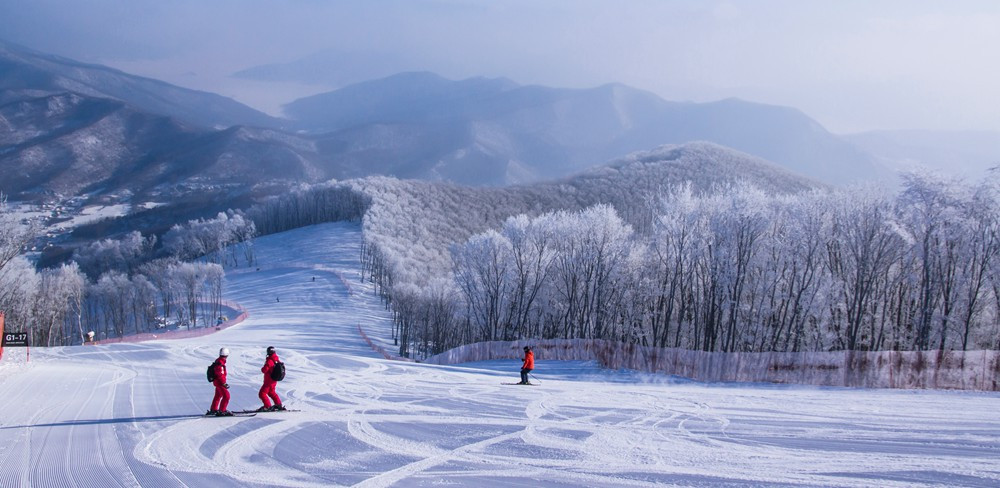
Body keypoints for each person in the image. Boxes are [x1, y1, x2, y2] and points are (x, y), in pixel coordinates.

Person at [257, 346, 286, 411]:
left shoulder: (270, 360)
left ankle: (267, 406)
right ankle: (278, 405)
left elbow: (264, 370)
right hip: (274, 381)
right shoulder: (276, 359)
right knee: (271, 392)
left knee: (262, 394)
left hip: (268, 381)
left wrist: (263, 368)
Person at [208, 347, 233, 416]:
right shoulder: (220, 363)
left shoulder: (218, 361)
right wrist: (224, 383)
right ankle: (222, 410)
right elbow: (220, 374)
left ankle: (214, 409)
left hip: (217, 382)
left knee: (218, 395)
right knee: (226, 396)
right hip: (220, 383)